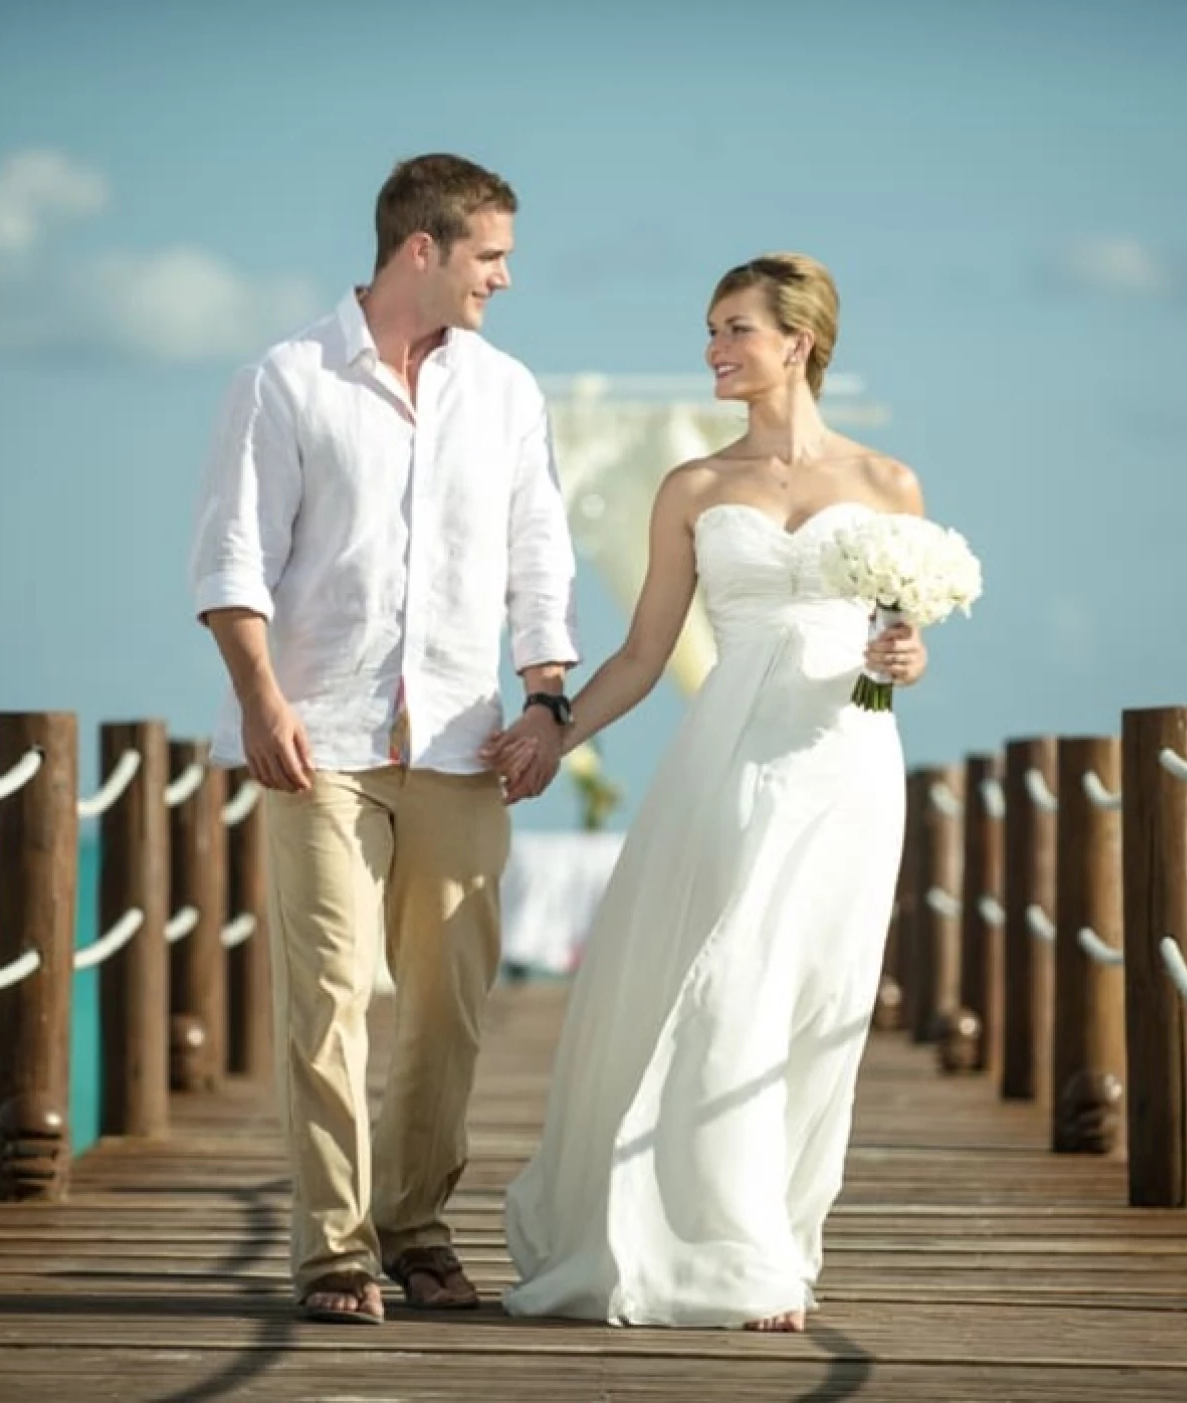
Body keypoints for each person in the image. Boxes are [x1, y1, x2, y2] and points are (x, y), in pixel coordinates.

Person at [489, 251, 930, 1332]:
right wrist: (552, 731)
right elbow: (644, 654)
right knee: (728, 980)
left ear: (798, 341)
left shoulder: (888, 484)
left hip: (847, 762)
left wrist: (905, 656)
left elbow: (893, 643)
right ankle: (719, 1247)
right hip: (728, 757)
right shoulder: (692, 486)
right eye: (711, 329)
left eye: (735, 329)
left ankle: (772, 1233)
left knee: (814, 1001)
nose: (713, 350)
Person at [186, 153, 579, 1326]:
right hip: (320, 739)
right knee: (331, 996)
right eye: (491, 255)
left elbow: (538, 554)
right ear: (424, 248)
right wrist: (260, 697)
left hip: (463, 738)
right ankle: (333, 1251)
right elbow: (232, 557)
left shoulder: (508, 391)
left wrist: (548, 699)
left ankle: (417, 1228)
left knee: (450, 1005)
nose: (505, 278)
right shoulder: (284, 379)